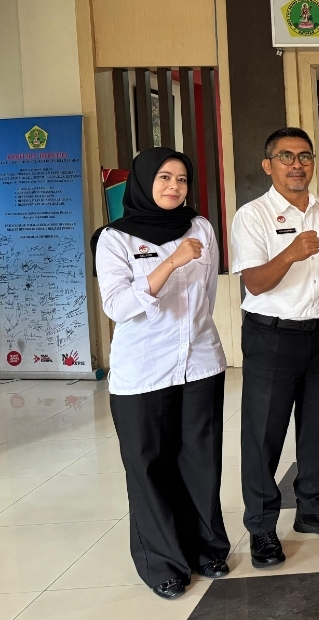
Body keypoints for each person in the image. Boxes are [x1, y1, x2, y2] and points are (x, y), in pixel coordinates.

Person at [93, 147, 230, 600]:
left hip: (200, 362)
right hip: (143, 370)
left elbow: (206, 295)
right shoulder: (114, 239)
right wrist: (170, 263)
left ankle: (206, 548)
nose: (174, 186)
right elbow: (118, 306)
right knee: (149, 465)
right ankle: (163, 564)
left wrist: (192, 332)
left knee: (200, 460)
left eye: (182, 179)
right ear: (144, 182)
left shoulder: (201, 227)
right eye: (165, 178)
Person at [229, 127, 319, 569]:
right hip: (272, 337)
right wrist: (289, 254)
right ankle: (262, 527)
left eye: (304, 156)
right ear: (268, 165)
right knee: (263, 434)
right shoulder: (252, 216)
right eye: (286, 156)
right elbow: (255, 282)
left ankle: (313, 508)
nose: (296, 164)